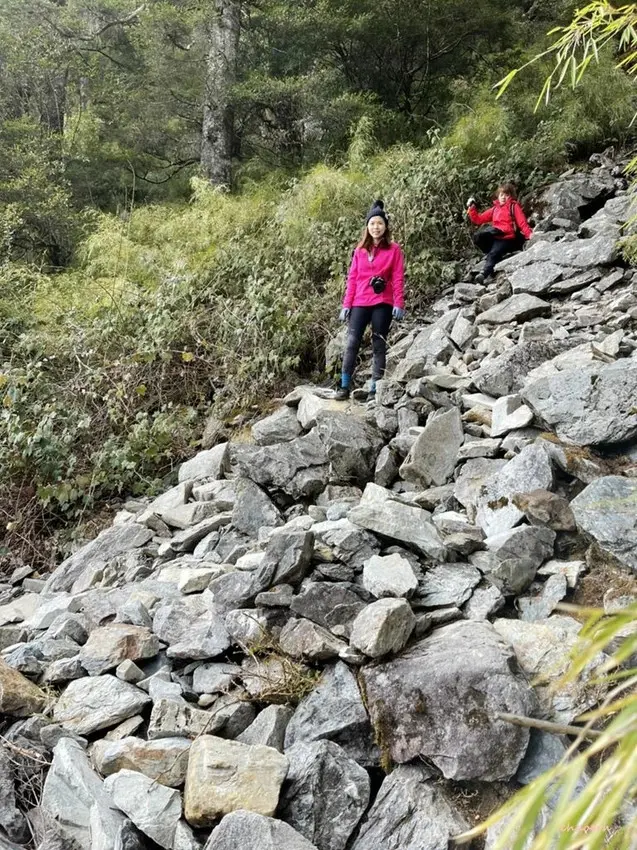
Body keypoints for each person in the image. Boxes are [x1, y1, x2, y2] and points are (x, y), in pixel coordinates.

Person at [334, 199, 405, 401]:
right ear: (367, 226)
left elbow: (398, 277)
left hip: (383, 301)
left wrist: (399, 302)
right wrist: (346, 305)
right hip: (360, 301)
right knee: (352, 342)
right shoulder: (359, 251)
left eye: (380, 223)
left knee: (378, 343)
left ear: (385, 226)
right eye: (372, 223)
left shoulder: (394, 250)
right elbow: (353, 278)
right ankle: (344, 386)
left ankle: (375, 388)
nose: (376, 227)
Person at [466, 183, 533, 283]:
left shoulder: (513, 207)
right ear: (498, 195)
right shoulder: (495, 209)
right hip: (497, 235)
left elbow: (522, 222)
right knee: (478, 237)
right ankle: (493, 253)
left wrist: (529, 234)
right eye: (502, 195)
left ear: (511, 196)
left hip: (508, 238)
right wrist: (472, 208)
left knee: (494, 253)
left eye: (507, 195)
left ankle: (484, 273)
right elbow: (478, 219)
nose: (503, 197)